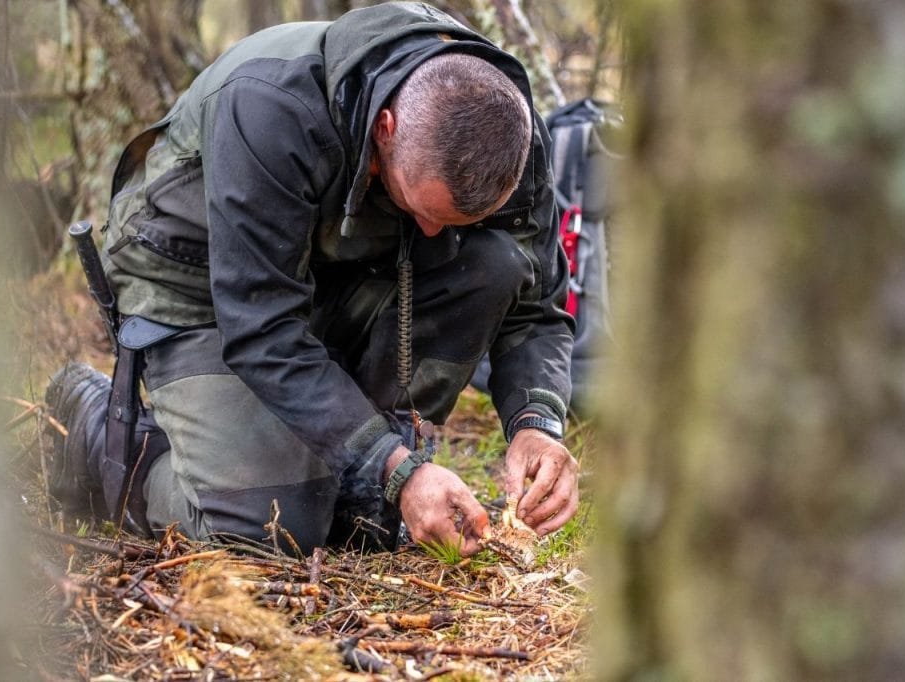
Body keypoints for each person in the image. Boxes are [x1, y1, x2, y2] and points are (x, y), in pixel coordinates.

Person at [47, 1, 578, 556]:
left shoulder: (504, 131)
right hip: (194, 280)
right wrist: (398, 469)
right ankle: (102, 436)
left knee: (492, 262)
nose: (432, 235)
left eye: (450, 221)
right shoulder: (270, 106)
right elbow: (263, 329)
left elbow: (534, 303)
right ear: (385, 128)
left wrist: (536, 422)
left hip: (330, 265)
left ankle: (350, 481)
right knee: (270, 528)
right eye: (423, 208)